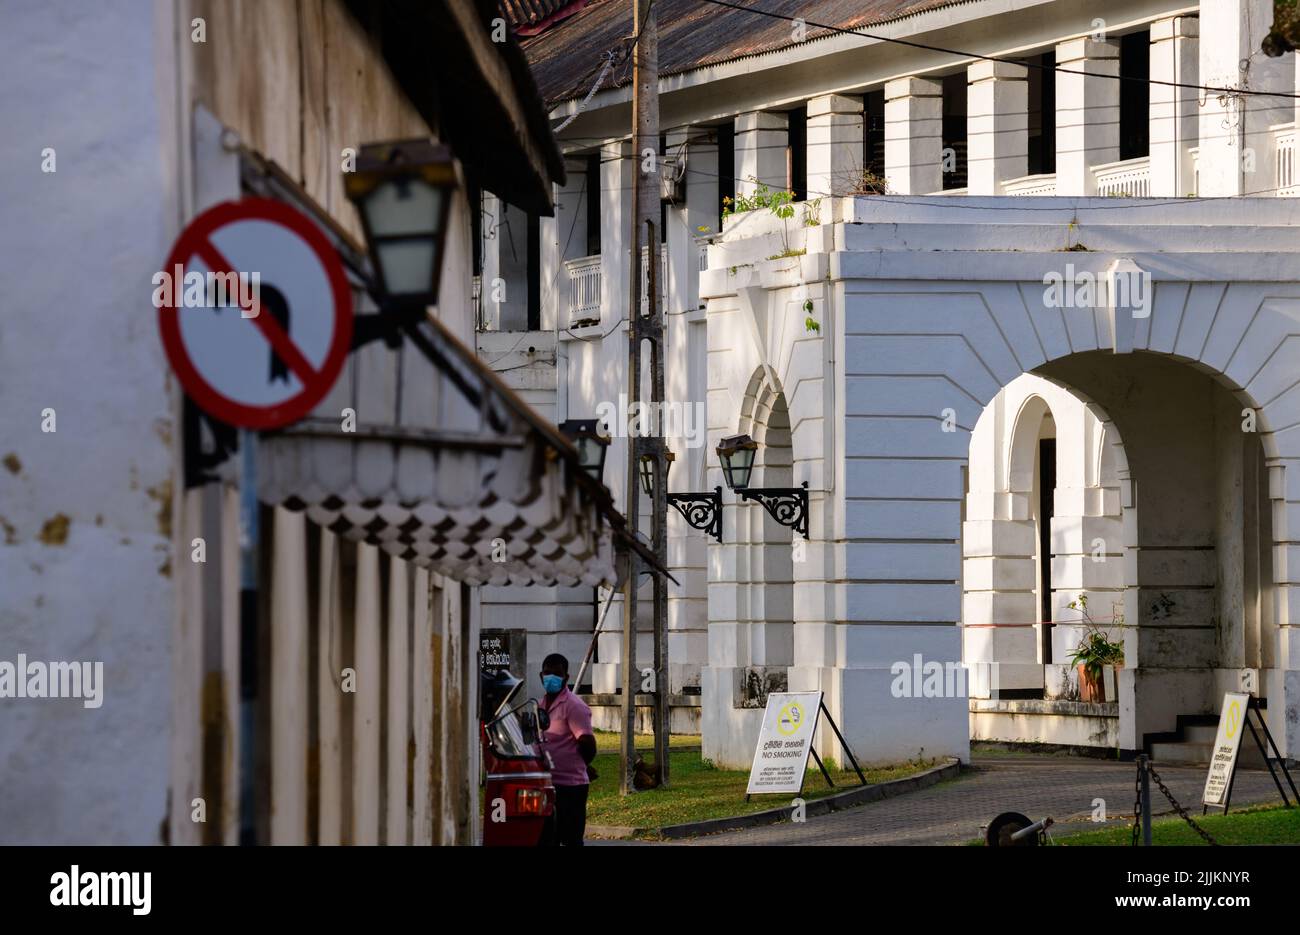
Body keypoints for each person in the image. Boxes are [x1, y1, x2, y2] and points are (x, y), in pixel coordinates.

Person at [537, 653, 595, 846]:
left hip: (571, 785)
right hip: (546, 784)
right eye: (547, 673)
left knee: (571, 838)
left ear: (566, 677)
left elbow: (587, 743)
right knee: (547, 838)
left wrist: (580, 764)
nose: (551, 677)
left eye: (557, 674)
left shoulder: (574, 706)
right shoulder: (540, 704)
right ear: (541, 676)